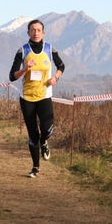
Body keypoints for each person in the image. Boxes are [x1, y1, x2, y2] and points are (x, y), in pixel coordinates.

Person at [9, 19, 65, 178]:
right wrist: (25, 68)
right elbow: (12, 76)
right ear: (28, 33)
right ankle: (35, 167)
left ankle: (44, 142)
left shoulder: (49, 49)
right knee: (33, 133)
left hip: (44, 96)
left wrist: (55, 78)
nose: (36, 33)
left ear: (43, 32)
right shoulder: (22, 51)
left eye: (38, 30)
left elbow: (61, 66)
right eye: (32, 30)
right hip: (27, 98)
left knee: (47, 129)